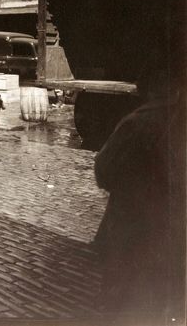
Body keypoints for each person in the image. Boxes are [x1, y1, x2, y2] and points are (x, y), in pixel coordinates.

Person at [93, 59, 184, 319]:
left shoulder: (136, 123)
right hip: (175, 231)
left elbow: (104, 169)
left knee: (122, 300)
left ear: (148, 87)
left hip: (133, 226)